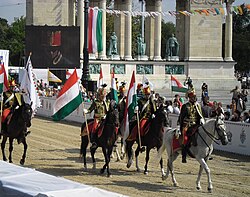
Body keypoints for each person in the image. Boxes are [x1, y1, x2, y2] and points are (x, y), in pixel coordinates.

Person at [178, 91, 204, 163]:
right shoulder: (185, 106)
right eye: (193, 97)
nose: (194, 99)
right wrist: (180, 127)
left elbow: (200, 116)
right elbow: (181, 118)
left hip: (196, 124)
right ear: (189, 98)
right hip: (187, 125)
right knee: (185, 139)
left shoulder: (197, 106)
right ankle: (184, 156)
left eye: (195, 97)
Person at [83, 85, 109, 149]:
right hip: (97, 119)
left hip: (105, 118)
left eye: (103, 96)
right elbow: (90, 109)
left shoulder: (106, 102)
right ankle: (93, 141)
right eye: (101, 96)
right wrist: (86, 111)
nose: (102, 97)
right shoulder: (95, 102)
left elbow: (108, 110)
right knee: (94, 128)